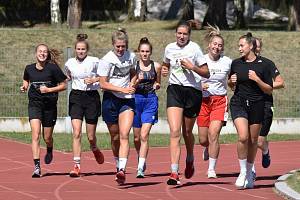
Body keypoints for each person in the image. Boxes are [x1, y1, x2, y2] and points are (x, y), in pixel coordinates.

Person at [161, 21, 210, 185]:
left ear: (189, 35)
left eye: (185, 34)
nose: (182, 36)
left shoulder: (195, 49)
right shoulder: (169, 48)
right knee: (175, 131)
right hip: (174, 89)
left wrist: (192, 67)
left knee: (187, 132)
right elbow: (165, 64)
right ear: (176, 33)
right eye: (179, 33)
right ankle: (174, 172)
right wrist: (164, 69)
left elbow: (207, 72)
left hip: (193, 92)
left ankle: (190, 156)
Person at [228, 32, 273, 189]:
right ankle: (242, 172)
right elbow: (232, 85)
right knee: (243, 137)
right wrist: (231, 82)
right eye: (239, 46)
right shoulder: (236, 64)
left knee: (254, 140)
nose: (239, 48)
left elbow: (269, 90)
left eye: (242, 45)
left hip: (257, 104)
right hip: (238, 103)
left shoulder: (265, 64)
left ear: (251, 46)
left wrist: (257, 79)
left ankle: (249, 172)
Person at [20, 44, 67, 178]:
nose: (42, 54)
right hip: (34, 105)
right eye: (40, 51)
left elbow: (64, 85)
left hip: (49, 106)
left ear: (47, 54)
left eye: (45, 52)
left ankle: (50, 148)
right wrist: (24, 86)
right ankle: (37, 167)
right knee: (35, 135)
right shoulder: (29, 68)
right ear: (36, 53)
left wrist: (49, 90)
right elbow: (26, 79)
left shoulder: (52, 68)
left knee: (47, 137)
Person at [99, 28, 137, 185]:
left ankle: (122, 169)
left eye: (123, 46)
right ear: (113, 45)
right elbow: (103, 84)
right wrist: (122, 89)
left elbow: (134, 73)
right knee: (115, 137)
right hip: (110, 100)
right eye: (118, 47)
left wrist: (133, 83)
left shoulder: (132, 57)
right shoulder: (106, 60)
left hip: (127, 101)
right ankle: (117, 163)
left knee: (124, 135)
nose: (121, 49)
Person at [64, 34, 104, 177]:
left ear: (87, 50)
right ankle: (76, 165)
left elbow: (104, 76)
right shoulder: (69, 63)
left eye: (83, 49)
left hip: (91, 97)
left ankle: (94, 148)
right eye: (78, 49)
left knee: (91, 136)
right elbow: (68, 76)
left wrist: (94, 79)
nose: (81, 51)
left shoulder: (94, 61)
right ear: (75, 49)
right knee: (76, 132)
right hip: (76, 96)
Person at [196, 25, 232, 179]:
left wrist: (232, 82)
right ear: (209, 45)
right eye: (215, 44)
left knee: (213, 134)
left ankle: (211, 169)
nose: (217, 47)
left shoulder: (228, 62)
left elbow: (231, 81)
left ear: (222, 48)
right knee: (203, 139)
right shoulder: (200, 60)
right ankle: (206, 148)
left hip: (219, 101)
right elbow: (190, 79)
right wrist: (199, 85)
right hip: (203, 101)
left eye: (220, 45)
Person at [252, 37, 284, 177]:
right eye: (252, 45)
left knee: (259, 141)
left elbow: (280, 82)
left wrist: (263, 85)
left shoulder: (267, 63)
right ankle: (250, 171)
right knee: (248, 139)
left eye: (257, 46)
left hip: (265, 104)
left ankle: (265, 151)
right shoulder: (241, 64)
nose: (254, 48)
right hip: (248, 104)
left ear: (260, 48)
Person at [132, 37, 162, 178]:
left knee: (144, 135)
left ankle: (140, 168)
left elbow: (158, 82)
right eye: (142, 51)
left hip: (150, 100)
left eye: (147, 51)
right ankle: (140, 156)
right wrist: (137, 81)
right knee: (137, 138)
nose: (144, 54)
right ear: (139, 52)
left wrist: (157, 85)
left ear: (151, 52)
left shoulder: (156, 66)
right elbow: (131, 85)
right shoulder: (134, 66)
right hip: (136, 100)